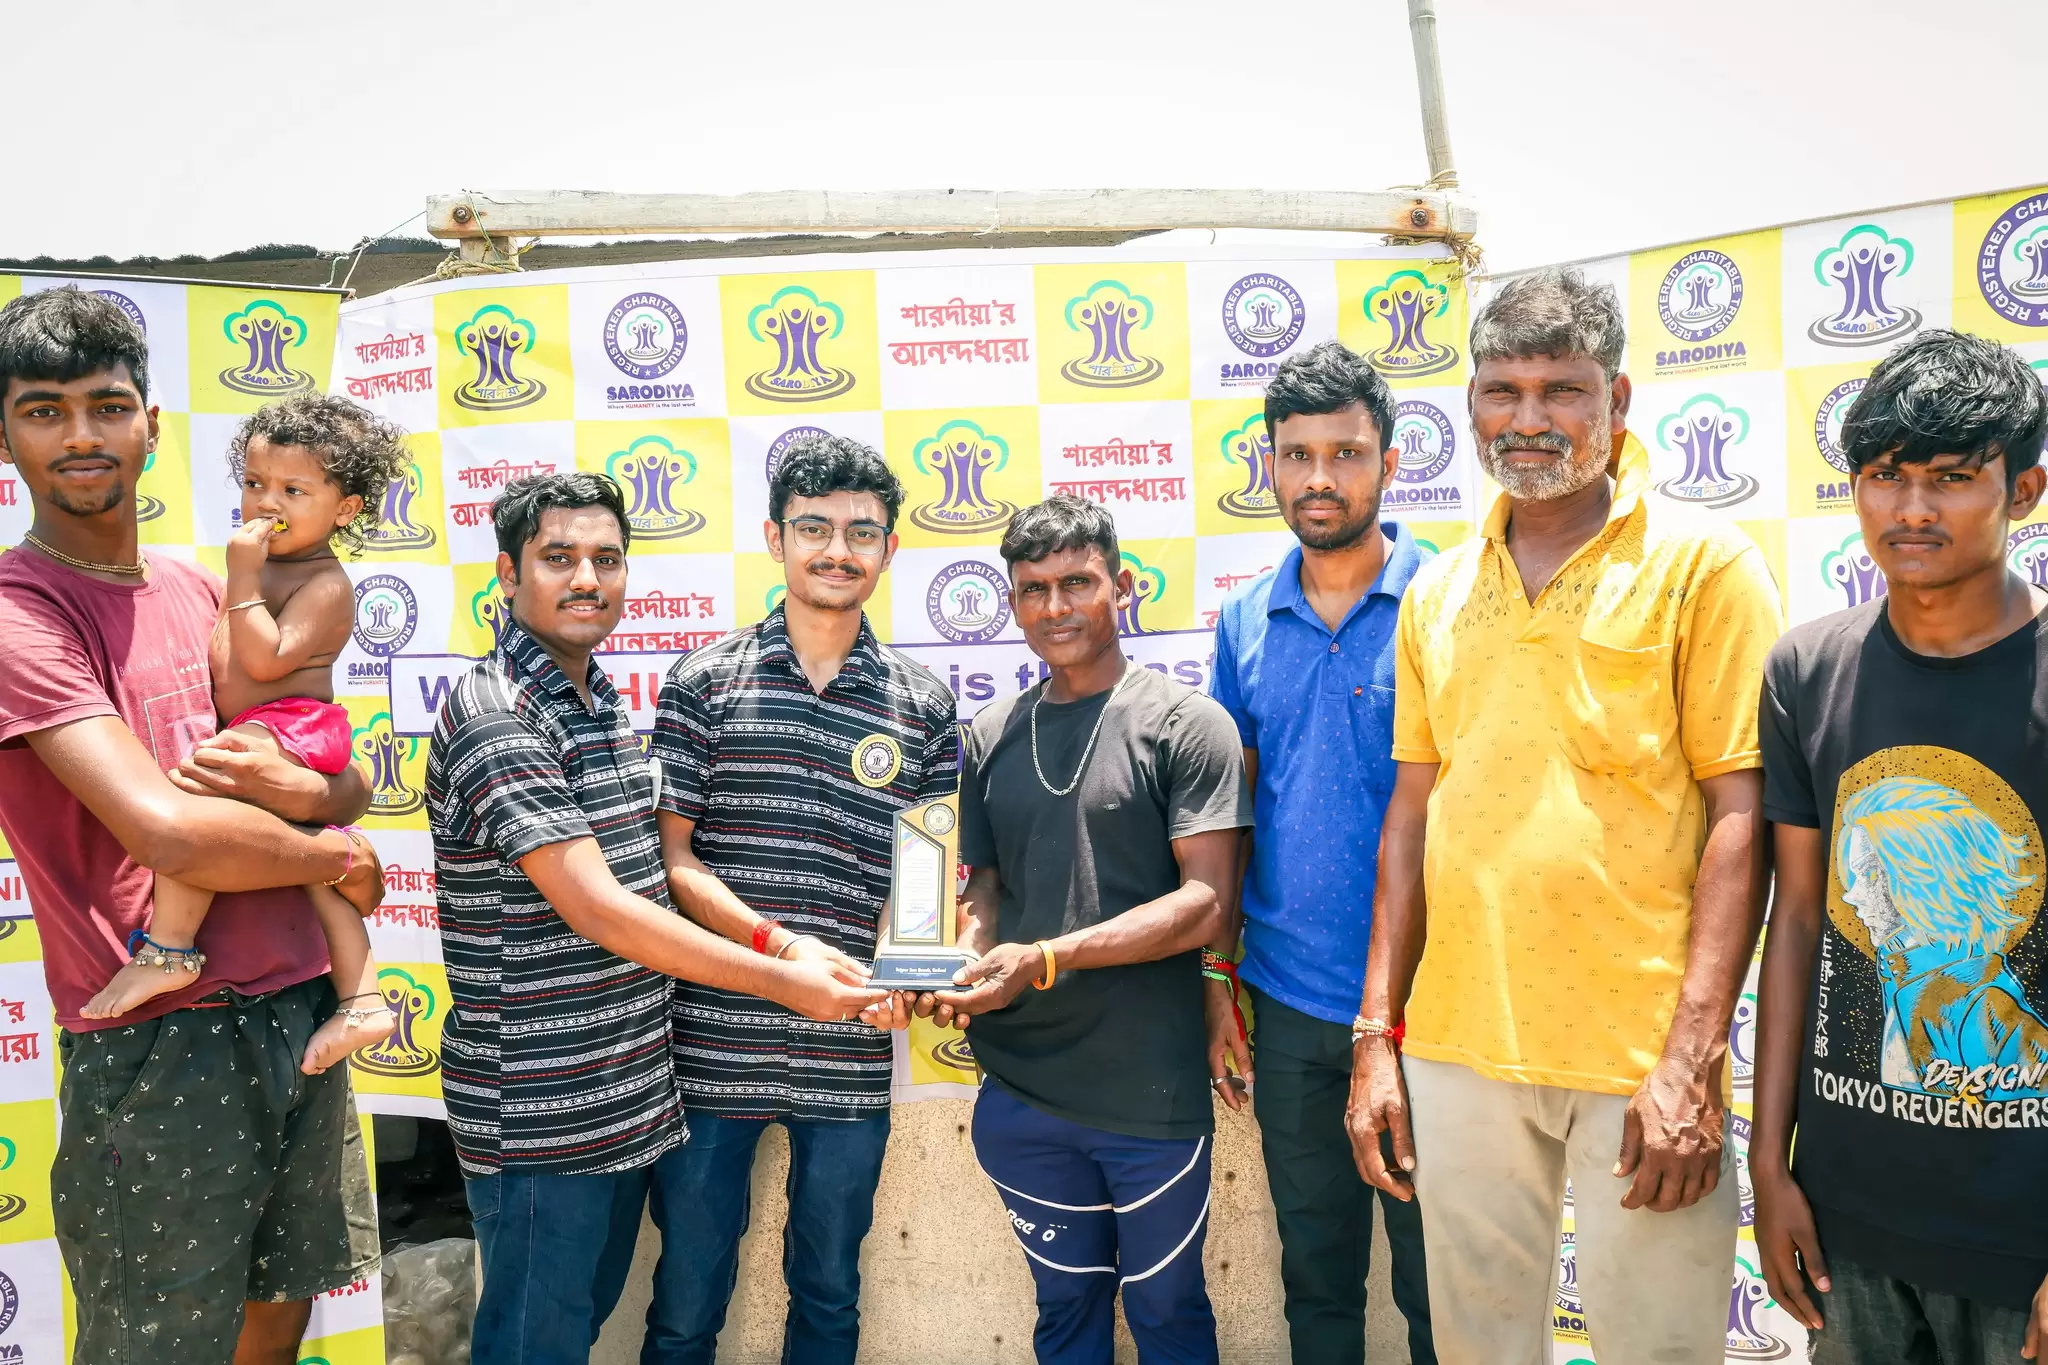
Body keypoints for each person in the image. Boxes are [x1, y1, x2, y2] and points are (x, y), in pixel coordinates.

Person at [1344, 267, 1782, 1364]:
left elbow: (1742, 811)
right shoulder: (1437, 590)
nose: (1527, 419)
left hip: (1641, 1055)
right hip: (1458, 1043)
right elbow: (1411, 817)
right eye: (1501, 391)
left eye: (1561, 389)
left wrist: (1691, 1057)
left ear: (1616, 400)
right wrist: (1376, 1037)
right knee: (1478, 1346)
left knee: (1659, 1350)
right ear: (1470, 405)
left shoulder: (1703, 565)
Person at [0, 286, 386, 1365]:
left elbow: (340, 772)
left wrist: (325, 805)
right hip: (159, 1040)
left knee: (280, 1321)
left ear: (152, 425)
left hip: (299, 1008)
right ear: (4, 437)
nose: (81, 434)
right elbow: (170, 834)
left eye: (107, 405)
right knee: (156, 1348)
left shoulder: (201, 586)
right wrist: (333, 855)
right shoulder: (20, 609)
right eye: (43, 411)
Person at [425, 471, 886, 1365]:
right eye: (558, 557)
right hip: (542, 1114)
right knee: (533, 1347)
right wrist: (783, 975)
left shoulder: (594, 700)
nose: (586, 578)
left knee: (578, 1327)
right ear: (507, 575)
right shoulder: (498, 714)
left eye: (606, 558)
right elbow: (601, 907)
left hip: (625, 1099)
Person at [1751, 330, 2048, 1363]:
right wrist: (1768, 1163)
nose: (1910, 508)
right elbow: (1796, 920)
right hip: (1848, 1225)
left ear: (2024, 491)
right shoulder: (1805, 670)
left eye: (1951, 478)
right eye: (1884, 475)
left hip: (2022, 1242)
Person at [640, 435, 958, 1365]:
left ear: (890, 548)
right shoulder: (704, 681)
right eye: (814, 528)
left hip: (849, 1051)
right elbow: (675, 861)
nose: (837, 550)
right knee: (685, 1301)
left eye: (861, 531)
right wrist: (779, 947)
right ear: (775, 538)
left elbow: (925, 886)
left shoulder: (924, 704)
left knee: (829, 1292)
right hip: (712, 1048)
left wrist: (906, 973)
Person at [912, 494, 1251, 1365]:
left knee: (1169, 1312)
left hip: (1150, 1090)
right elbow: (986, 887)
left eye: (1077, 583)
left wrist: (1045, 957)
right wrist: (965, 960)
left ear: (1121, 586)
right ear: (1013, 601)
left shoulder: (1188, 724)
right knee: (1065, 1313)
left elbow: (1206, 903)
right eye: (1034, 589)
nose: (1055, 607)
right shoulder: (992, 732)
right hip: (1022, 1090)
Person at [1207, 341, 1435, 1365]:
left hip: (1437, 1003)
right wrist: (1217, 978)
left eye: (1345, 453)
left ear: (1389, 461)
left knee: (1442, 1291)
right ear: (1269, 463)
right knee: (1318, 1283)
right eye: (1296, 455)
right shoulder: (1244, 619)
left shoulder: (1449, 598)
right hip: (1291, 1004)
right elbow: (1230, 816)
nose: (1319, 478)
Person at [83, 395, 408, 1076]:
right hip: (270, 730)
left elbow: (264, 660)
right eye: (255, 482)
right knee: (319, 873)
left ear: (345, 508)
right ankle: (363, 1001)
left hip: (294, 725)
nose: (268, 502)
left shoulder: (324, 582)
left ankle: (169, 948)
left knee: (197, 800)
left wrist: (241, 575)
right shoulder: (254, 574)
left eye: (294, 490)